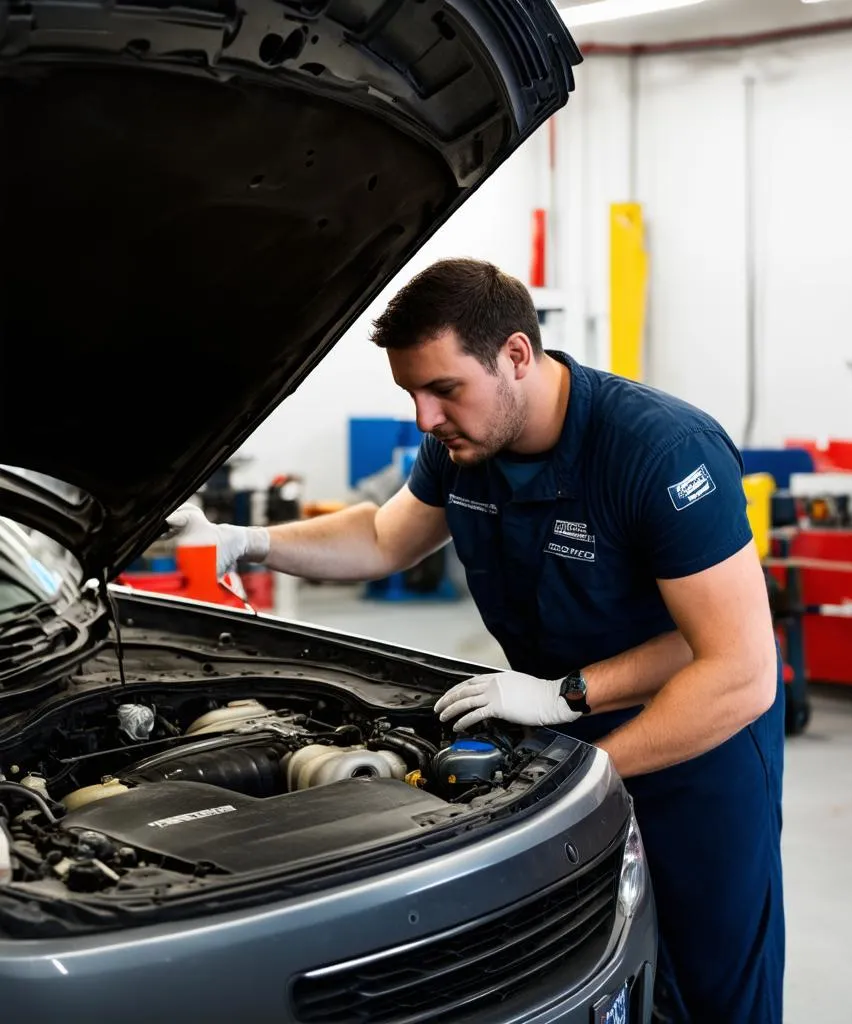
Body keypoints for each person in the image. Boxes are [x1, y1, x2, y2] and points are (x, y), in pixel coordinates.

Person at [168, 257, 785, 1023]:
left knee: (709, 983)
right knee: (587, 964)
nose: (424, 417)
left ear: (516, 356)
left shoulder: (658, 452)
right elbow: (384, 537)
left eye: (444, 390)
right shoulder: (465, 446)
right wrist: (247, 539)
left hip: (699, 755)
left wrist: (569, 707)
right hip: (562, 734)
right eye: (412, 394)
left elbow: (740, 666)